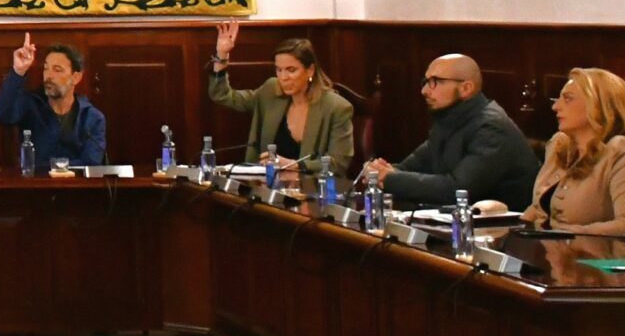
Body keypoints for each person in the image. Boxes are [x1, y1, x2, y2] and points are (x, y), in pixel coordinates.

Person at [362, 54, 535, 210]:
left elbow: (457, 190)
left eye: (435, 82)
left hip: (506, 230)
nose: (424, 91)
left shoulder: (491, 128)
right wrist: (380, 171)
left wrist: (388, 177)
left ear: (466, 88)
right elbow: (410, 166)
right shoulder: (448, 119)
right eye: (426, 82)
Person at [202, 23, 354, 182]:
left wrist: (294, 165)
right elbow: (222, 95)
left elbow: (338, 164)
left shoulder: (336, 107)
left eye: (291, 70)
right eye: (279, 70)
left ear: (310, 70)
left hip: (313, 190)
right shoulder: (270, 92)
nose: (283, 77)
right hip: (266, 187)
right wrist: (221, 55)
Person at [522, 68, 625, 237]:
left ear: (598, 104)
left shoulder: (622, 151)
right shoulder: (559, 145)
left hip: (592, 251)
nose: (555, 106)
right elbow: (539, 209)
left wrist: (566, 234)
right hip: (544, 247)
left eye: (568, 99)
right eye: (558, 99)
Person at [0, 36, 106, 171]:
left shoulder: (92, 117)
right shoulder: (31, 105)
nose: (48, 75)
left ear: (76, 77)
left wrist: (50, 166)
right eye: (46, 68)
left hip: (75, 183)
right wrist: (18, 71)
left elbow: (91, 164)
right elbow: (2, 115)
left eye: (57, 69)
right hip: (36, 182)